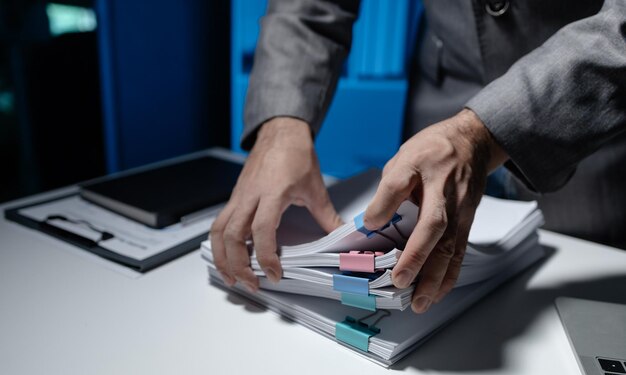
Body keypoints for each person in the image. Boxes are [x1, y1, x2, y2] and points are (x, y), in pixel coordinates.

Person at [211, 0, 626, 313]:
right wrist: (282, 121)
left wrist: (481, 134)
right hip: (440, 103)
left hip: (589, 129)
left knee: (583, 321)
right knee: (410, 299)